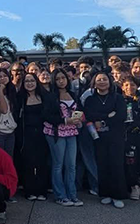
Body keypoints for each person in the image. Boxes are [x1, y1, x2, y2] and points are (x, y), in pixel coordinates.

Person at [83, 72, 128, 208]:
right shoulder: (90, 99)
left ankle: (118, 195)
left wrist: (101, 119)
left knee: (116, 164)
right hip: (98, 137)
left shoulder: (118, 98)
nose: (102, 82)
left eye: (104, 79)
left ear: (110, 81)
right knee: (102, 164)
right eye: (99, 80)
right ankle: (106, 193)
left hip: (116, 135)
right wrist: (108, 115)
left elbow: (121, 115)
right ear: (94, 83)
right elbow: (90, 115)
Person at [44, 69, 83, 207]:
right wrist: (65, 121)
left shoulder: (73, 94)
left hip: (72, 132)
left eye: (63, 78)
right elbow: (47, 115)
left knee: (71, 165)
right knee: (58, 165)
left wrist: (79, 119)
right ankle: (60, 195)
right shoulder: (50, 96)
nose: (61, 81)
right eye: (58, 78)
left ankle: (72, 194)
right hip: (56, 132)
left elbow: (80, 110)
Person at [19, 72, 52, 201]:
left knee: (42, 162)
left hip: (42, 133)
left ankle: (42, 190)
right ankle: (30, 190)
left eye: (32, 81)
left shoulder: (44, 96)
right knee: (28, 162)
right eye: (26, 81)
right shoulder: (20, 97)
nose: (29, 83)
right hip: (26, 133)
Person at [0, 68, 17, 157]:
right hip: (0, 131)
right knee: (0, 157)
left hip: (11, 130)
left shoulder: (12, 91)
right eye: (0, 77)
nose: (3, 78)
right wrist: (0, 92)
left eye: (5, 76)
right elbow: (4, 110)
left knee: (9, 158)